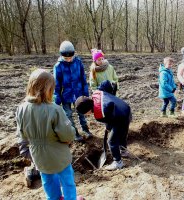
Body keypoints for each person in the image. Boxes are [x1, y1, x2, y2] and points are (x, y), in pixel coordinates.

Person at [16, 69, 83, 200]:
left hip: (38, 155)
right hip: (58, 154)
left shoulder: (21, 109)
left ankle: (53, 198)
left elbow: (21, 135)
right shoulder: (55, 109)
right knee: (67, 181)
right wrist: (69, 137)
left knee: (47, 180)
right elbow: (68, 135)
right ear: (48, 89)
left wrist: (26, 150)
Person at [75, 80, 132, 171]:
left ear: (88, 109)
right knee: (122, 133)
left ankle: (118, 162)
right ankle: (123, 150)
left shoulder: (99, 113)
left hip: (121, 118)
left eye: (85, 113)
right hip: (126, 109)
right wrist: (112, 90)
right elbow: (105, 83)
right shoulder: (97, 94)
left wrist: (108, 127)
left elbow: (110, 121)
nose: (86, 115)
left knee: (111, 141)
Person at [53, 41, 93, 141]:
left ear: (74, 54)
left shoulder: (78, 62)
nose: (69, 60)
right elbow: (56, 85)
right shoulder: (58, 66)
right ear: (61, 55)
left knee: (81, 112)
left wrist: (85, 94)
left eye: (70, 57)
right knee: (68, 114)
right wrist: (56, 100)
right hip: (65, 95)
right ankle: (75, 133)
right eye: (66, 58)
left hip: (79, 93)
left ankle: (86, 130)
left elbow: (83, 79)